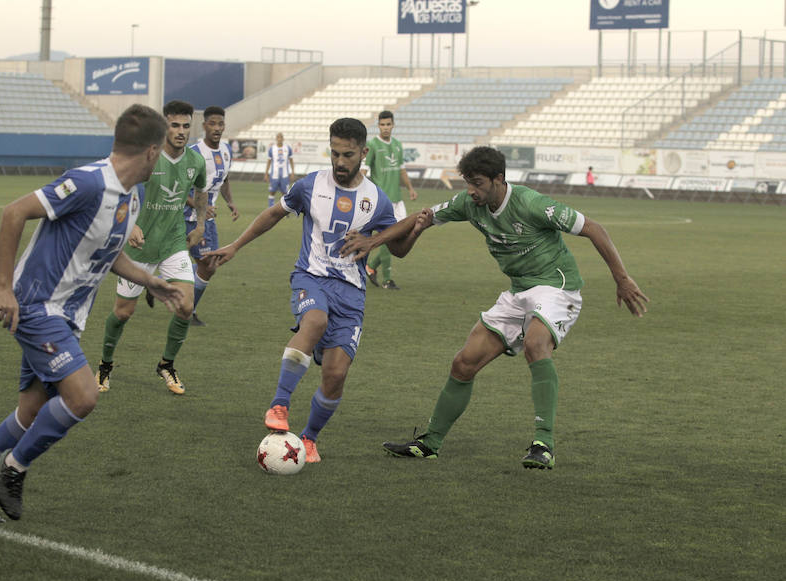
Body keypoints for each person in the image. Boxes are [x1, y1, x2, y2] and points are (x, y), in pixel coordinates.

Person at [341, 146, 649, 469]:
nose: (471, 191)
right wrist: (373, 241)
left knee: (535, 343)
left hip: (557, 286)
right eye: (467, 184)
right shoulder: (468, 203)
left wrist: (622, 279)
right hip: (519, 292)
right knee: (464, 362)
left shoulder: (531, 204)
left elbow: (594, 229)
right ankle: (430, 442)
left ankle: (544, 444)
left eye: (477, 183)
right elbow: (423, 218)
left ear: (498, 179)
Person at [0, 105, 185, 522]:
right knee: (82, 395)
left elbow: (107, 253)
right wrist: (3, 287)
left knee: (31, 411)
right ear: (151, 151)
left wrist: (149, 280)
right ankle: (14, 467)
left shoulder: (132, 196)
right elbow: (13, 212)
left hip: (67, 316)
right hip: (37, 306)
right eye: (163, 147)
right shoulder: (88, 182)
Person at [206, 117, 427, 464]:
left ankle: (308, 439)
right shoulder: (310, 186)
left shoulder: (377, 200)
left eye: (348, 155)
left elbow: (397, 249)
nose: (340, 162)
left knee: (336, 374)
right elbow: (273, 214)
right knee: (315, 321)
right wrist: (236, 245)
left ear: (363, 153)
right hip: (311, 278)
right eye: (335, 154)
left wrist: (415, 231)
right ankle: (279, 404)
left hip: (352, 293)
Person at [95, 100, 208, 396]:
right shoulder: (148, 156)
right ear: (164, 126)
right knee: (122, 313)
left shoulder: (195, 161)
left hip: (172, 243)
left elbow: (201, 189)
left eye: (186, 126)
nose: (181, 131)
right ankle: (105, 365)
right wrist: (130, 225)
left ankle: (166, 365)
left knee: (185, 305)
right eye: (175, 125)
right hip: (139, 247)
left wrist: (199, 225)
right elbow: (119, 184)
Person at [182, 105, 240, 326]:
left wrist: (231, 202)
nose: (217, 128)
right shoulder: (194, 153)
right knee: (207, 265)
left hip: (208, 218)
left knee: (211, 264)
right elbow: (179, 189)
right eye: (213, 124)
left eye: (221, 124)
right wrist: (199, 208)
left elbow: (224, 179)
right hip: (188, 217)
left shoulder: (225, 150)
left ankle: (160, 282)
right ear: (204, 125)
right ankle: (188, 312)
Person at [363, 110, 417, 290]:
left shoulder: (397, 145)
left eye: (388, 124)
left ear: (393, 125)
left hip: (397, 199)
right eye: (382, 124)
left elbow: (401, 170)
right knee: (389, 237)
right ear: (378, 126)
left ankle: (371, 267)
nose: (385, 128)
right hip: (382, 200)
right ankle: (387, 280)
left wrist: (410, 188)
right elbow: (364, 170)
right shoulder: (372, 144)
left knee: (400, 237)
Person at [265, 132, 295, 207]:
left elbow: (291, 161)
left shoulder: (287, 148)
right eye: (278, 137)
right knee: (272, 192)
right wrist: (266, 173)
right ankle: (270, 208)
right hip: (274, 175)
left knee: (285, 193)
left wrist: (292, 172)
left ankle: (285, 210)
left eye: (281, 137)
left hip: (284, 175)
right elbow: (269, 161)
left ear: (283, 139)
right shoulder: (272, 149)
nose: (279, 139)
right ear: (276, 139)